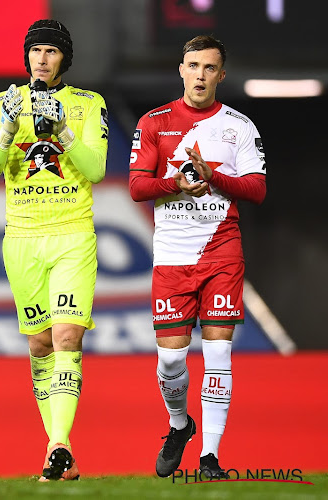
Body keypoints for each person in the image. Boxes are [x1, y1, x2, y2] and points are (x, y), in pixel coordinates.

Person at [128, 35, 266, 479]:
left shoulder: (239, 126)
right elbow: (137, 187)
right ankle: (178, 424)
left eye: (210, 68)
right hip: (171, 255)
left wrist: (215, 176)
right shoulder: (155, 122)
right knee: (171, 360)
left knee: (218, 354)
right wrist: (178, 184)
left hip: (222, 252)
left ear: (221, 74)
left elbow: (257, 190)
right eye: (193, 66)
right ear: (181, 69)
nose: (201, 75)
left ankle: (209, 457)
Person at [0, 19, 108, 481]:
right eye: (36, 52)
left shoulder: (89, 104)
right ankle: (62, 452)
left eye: (52, 52)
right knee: (38, 344)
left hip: (73, 235)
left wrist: (64, 133)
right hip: (22, 239)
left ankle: (56, 446)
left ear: (64, 59)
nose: (42, 60)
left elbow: (95, 170)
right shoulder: (2, 103)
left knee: (66, 337)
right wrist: (8, 129)